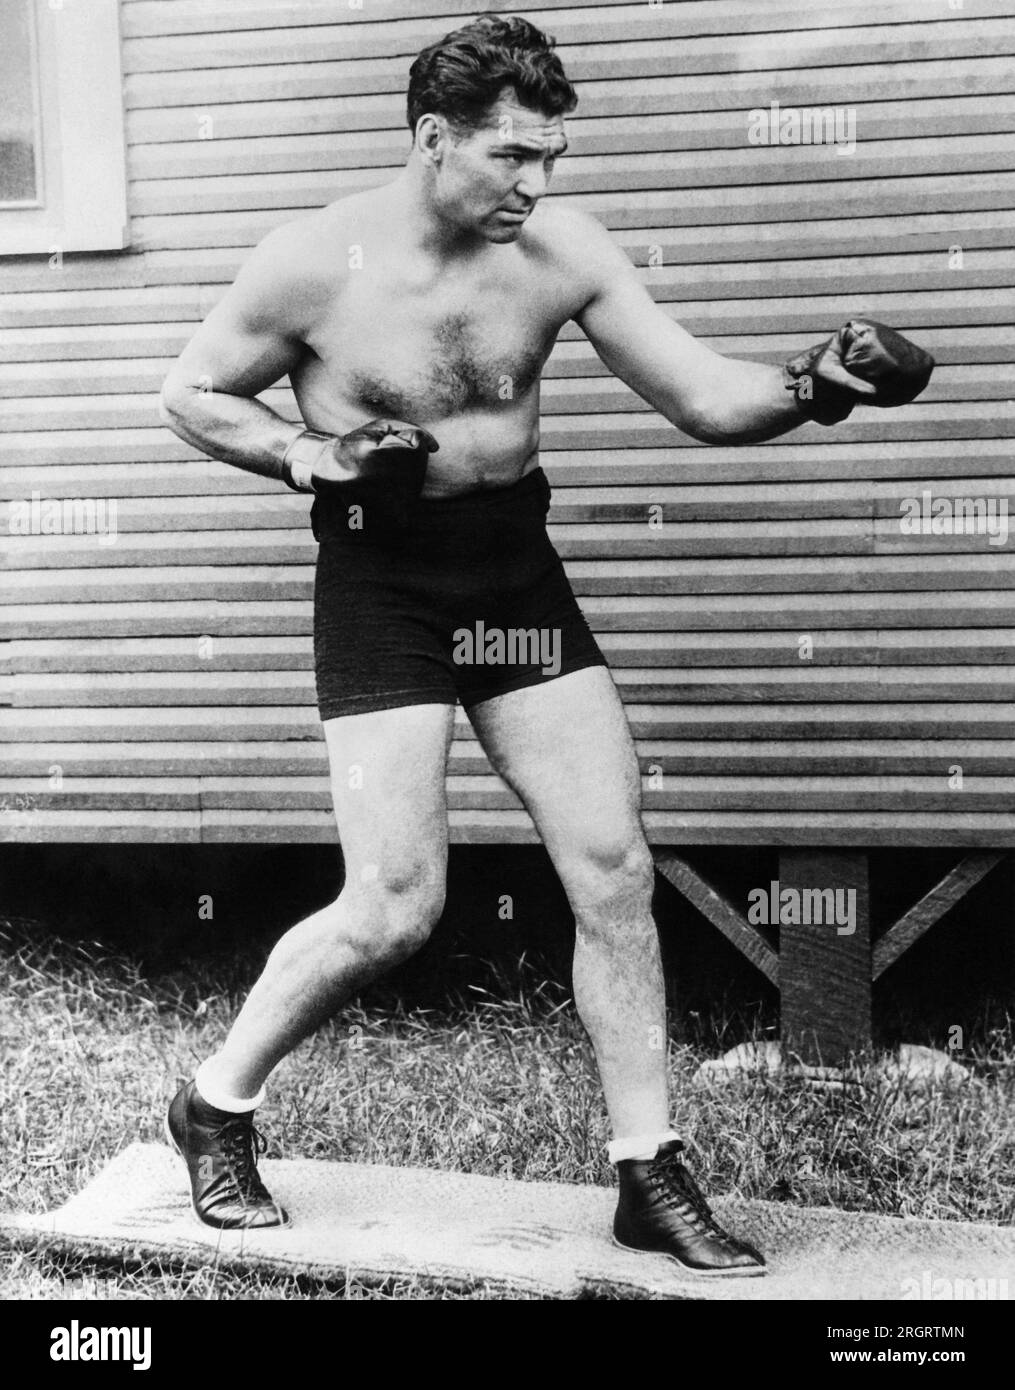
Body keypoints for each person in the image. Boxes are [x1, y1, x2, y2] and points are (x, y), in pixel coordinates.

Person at [158, 14, 933, 1277]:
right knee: (395, 903)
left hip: (513, 573)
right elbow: (187, 393)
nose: (538, 183)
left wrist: (813, 383)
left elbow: (698, 396)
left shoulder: (560, 249)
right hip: (381, 585)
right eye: (512, 157)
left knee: (612, 864)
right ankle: (217, 1101)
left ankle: (647, 1169)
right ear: (431, 139)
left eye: (552, 156)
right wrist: (310, 453)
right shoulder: (311, 262)